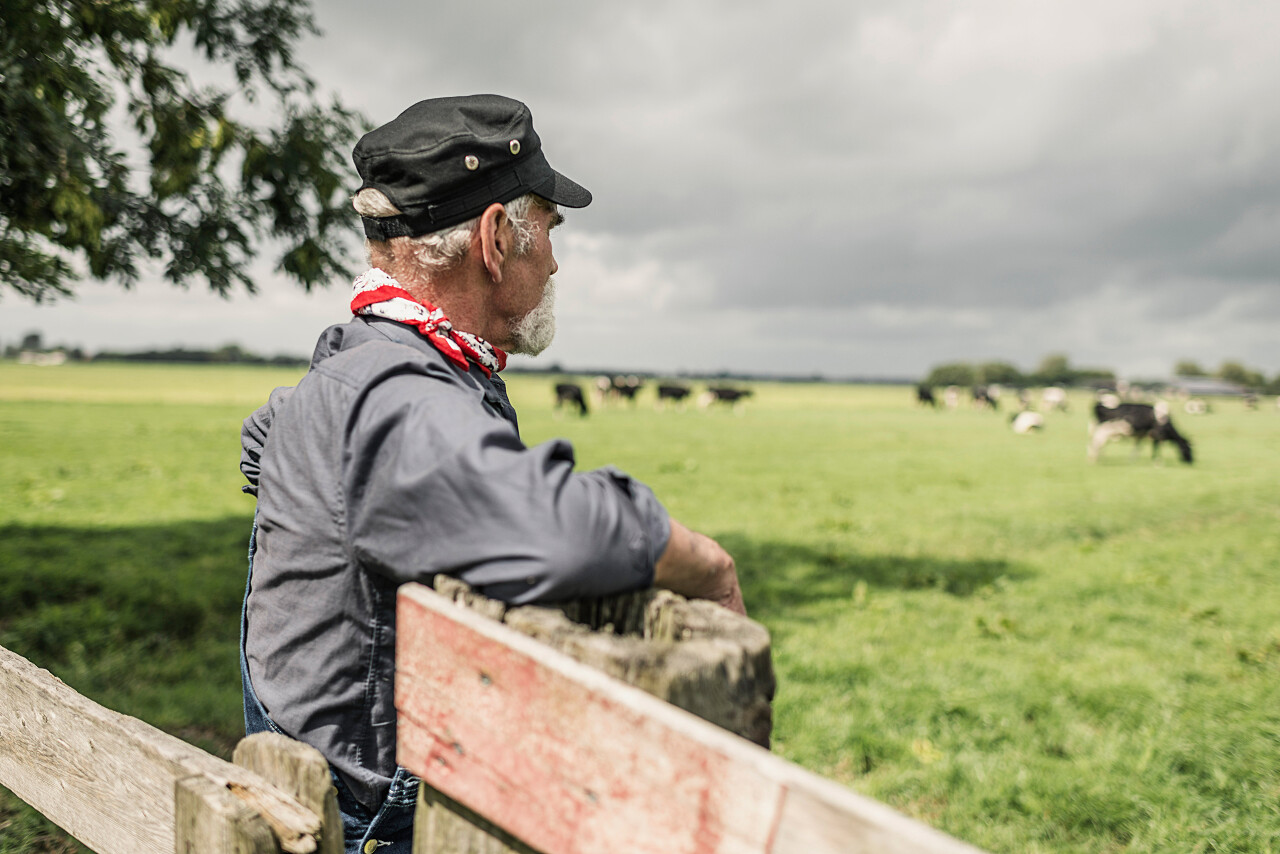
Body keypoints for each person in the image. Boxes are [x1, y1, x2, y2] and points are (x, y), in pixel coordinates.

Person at [237, 94, 744, 854]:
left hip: (324, 780)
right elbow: (553, 528)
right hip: (373, 823)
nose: (557, 259)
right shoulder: (394, 396)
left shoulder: (357, 356)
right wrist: (707, 566)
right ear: (496, 238)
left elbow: (265, 437)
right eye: (548, 229)